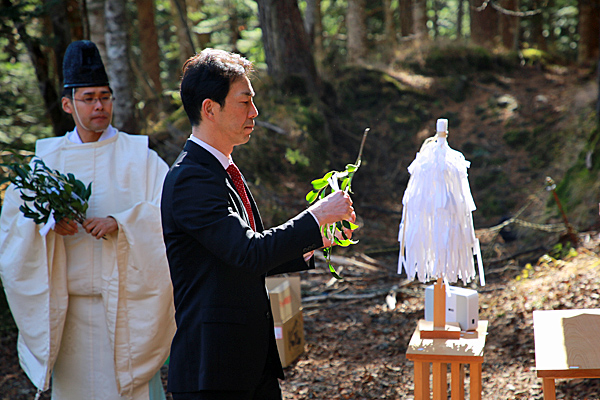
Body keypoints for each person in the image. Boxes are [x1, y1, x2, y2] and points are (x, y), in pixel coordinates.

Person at [161, 48, 357, 400]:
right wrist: (316, 216)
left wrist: (320, 239)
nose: (255, 112)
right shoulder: (191, 178)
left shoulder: (219, 170)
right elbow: (249, 251)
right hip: (213, 372)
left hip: (249, 365)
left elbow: (245, 254)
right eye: (244, 101)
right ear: (210, 108)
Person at [0, 40, 176, 399]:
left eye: (105, 97)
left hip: (129, 311)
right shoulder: (46, 163)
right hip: (71, 318)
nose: (99, 106)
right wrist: (46, 225)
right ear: (68, 104)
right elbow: (12, 229)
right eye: (89, 98)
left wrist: (122, 223)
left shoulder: (140, 157)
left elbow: (171, 213)